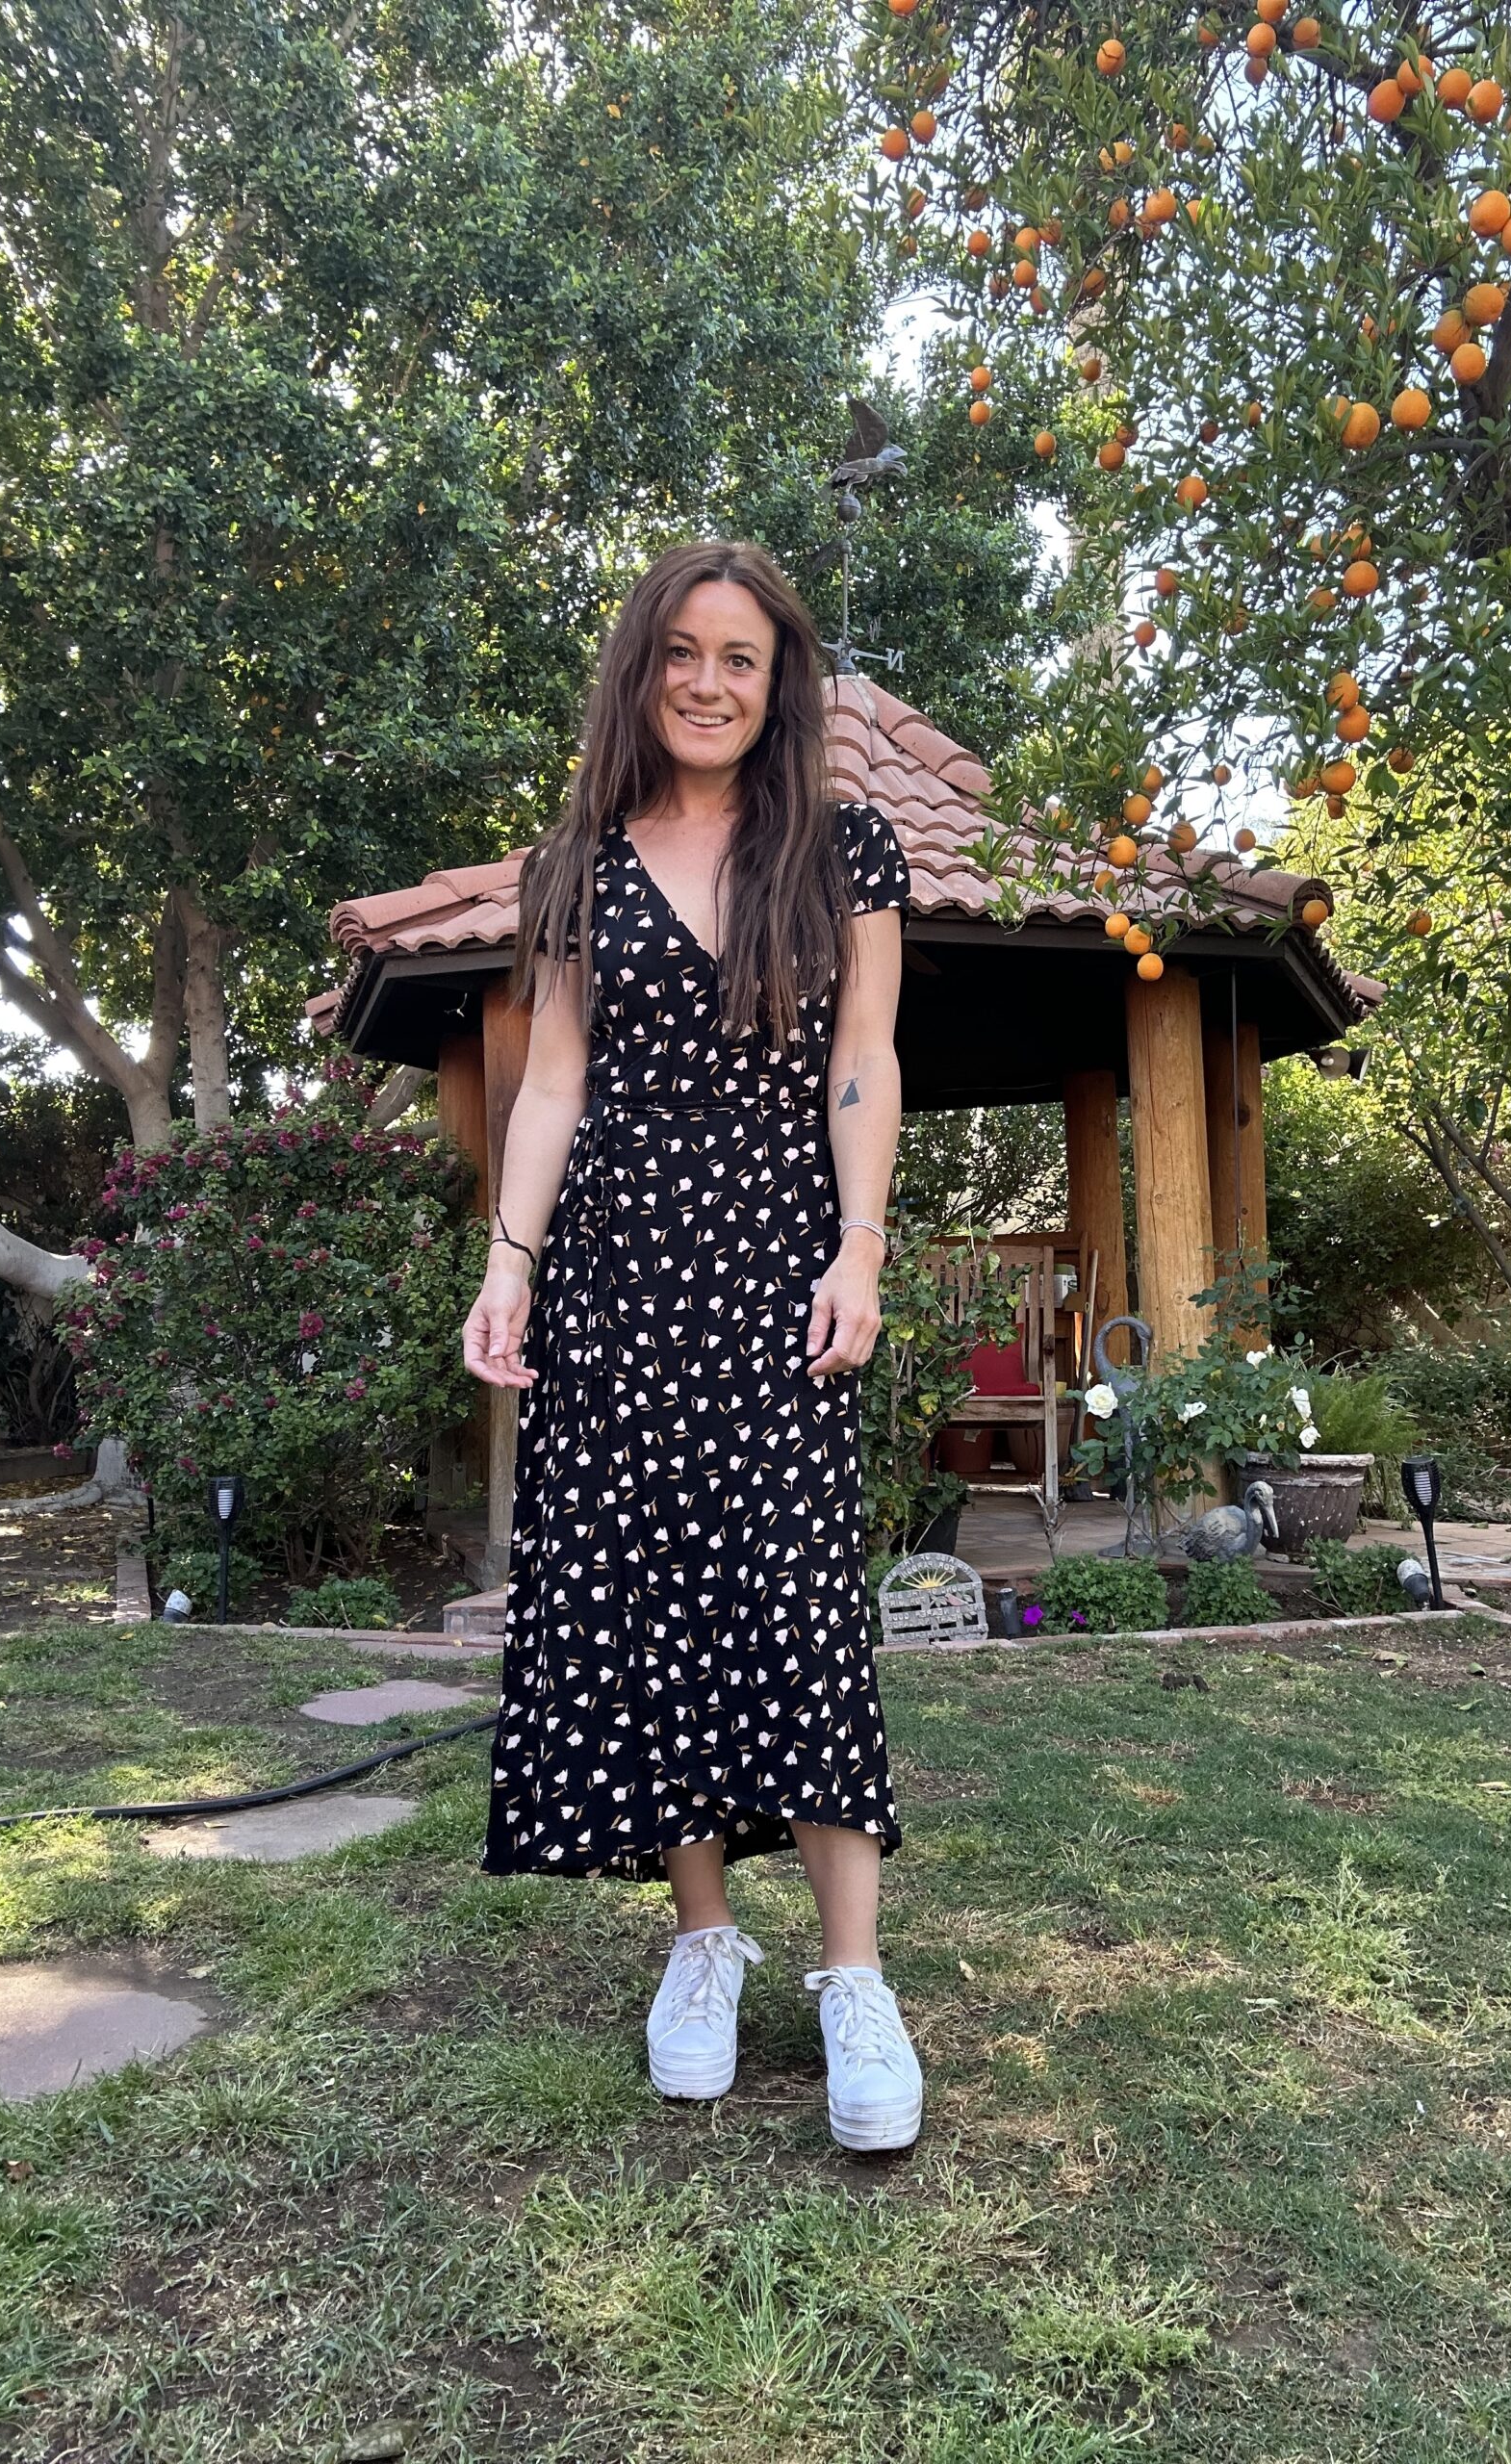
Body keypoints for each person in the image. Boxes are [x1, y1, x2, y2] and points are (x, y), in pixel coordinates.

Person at [462, 539, 922, 2154]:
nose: (711, 683)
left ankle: (854, 1978)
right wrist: (509, 1266)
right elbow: (554, 1083)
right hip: (619, 1288)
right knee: (654, 1608)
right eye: (683, 654)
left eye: (742, 657)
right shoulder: (579, 863)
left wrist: (861, 1244)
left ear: (777, 679)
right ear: (641, 671)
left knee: (796, 1605)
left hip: (779, 1283)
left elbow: (863, 1060)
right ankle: (703, 1942)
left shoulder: (846, 850)